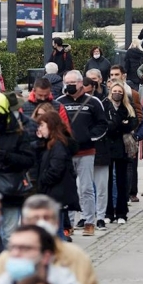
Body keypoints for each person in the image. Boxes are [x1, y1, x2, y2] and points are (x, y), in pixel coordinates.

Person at [0, 194, 109, 284]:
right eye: (35, 219)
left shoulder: (75, 257)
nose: (41, 223)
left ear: (56, 223)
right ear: (25, 223)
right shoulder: (7, 260)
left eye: (46, 218)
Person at [57, 70, 108, 237]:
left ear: (80, 83)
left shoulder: (93, 102)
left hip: (86, 151)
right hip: (66, 152)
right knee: (68, 188)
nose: (70, 86)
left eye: (73, 83)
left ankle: (89, 221)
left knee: (86, 188)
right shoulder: (59, 102)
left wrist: (89, 136)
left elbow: (102, 124)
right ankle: (68, 223)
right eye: (67, 83)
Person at [0, 92, 34, 243]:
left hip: (11, 191)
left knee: (9, 236)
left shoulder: (18, 133)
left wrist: (4, 155)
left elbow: (28, 160)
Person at [30, 111, 80, 234]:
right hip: (54, 192)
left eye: (42, 125)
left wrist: (42, 180)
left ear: (50, 125)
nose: (39, 129)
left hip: (56, 193)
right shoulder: (49, 143)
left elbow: (56, 169)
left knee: (56, 232)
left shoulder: (58, 145)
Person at [103, 80, 137, 224]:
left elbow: (132, 123)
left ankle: (122, 213)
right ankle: (109, 212)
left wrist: (120, 125)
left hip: (123, 148)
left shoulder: (128, 107)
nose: (117, 94)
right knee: (108, 181)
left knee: (122, 181)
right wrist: (120, 124)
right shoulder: (105, 105)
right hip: (108, 147)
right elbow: (105, 125)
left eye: (119, 92)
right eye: (114, 91)